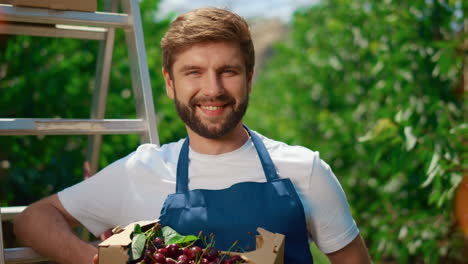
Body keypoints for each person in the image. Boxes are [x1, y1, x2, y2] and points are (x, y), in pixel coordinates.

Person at [14, 7, 371, 264]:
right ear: (171, 84)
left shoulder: (304, 168)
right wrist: (94, 260)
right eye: (194, 72)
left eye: (228, 71)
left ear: (249, 79)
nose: (212, 89)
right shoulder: (140, 170)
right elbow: (33, 219)